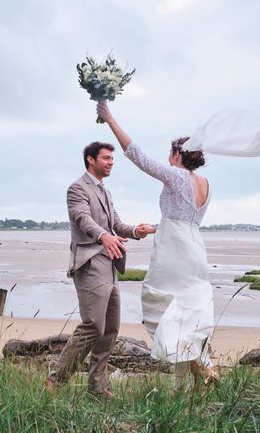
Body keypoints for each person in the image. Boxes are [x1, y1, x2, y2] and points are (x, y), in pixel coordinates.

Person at [95, 102, 221, 389]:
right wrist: (152, 227)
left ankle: (199, 370)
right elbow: (182, 217)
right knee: (188, 313)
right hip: (193, 248)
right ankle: (194, 379)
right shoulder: (206, 184)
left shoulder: (176, 175)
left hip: (173, 251)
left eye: (170, 153)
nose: (167, 158)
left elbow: (137, 156)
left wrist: (110, 118)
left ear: (178, 154)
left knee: (162, 306)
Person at [45, 141, 150, 398]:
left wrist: (136, 231)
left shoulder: (105, 191)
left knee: (110, 329)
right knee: (93, 325)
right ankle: (55, 381)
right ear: (90, 160)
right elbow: (83, 218)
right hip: (90, 264)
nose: (111, 162)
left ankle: (97, 388)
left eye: (112, 159)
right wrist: (104, 236)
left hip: (110, 265)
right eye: (106, 158)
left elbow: (116, 223)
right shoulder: (77, 188)